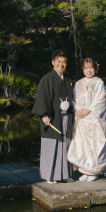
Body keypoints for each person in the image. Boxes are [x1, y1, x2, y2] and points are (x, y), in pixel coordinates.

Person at [32, 50, 75, 183]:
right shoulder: (47, 79)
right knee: (52, 145)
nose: (61, 65)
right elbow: (42, 97)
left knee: (65, 145)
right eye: (59, 62)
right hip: (52, 117)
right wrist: (44, 114)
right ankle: (50, 175)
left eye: (64, 62)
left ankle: (65, 174)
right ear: (53, 62)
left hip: (66, 117)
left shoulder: (67, 80)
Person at [67, 58, 106, 181]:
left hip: (94, 119)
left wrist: (87, 110)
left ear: (95, 68)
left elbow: (101, 100)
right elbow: (73, 99)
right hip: (81, 119)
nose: (88, 70)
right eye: (86, 68)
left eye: (91, 67)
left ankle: (94, 172)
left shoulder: (99, 82)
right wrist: (76, 110)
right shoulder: (78, 83)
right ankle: (85, 170)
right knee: (82, 145)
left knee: (94, 145)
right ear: (83, 69)